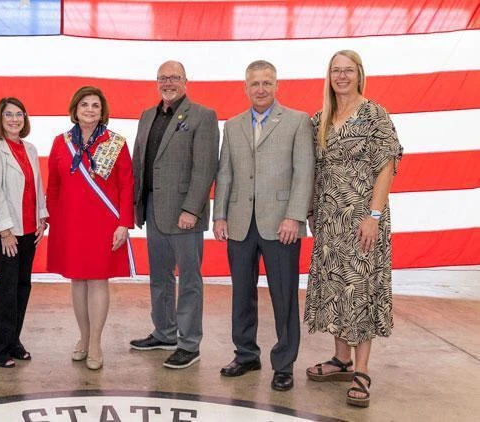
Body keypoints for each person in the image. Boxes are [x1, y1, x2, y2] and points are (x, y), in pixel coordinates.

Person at [304, 50, 402, 408]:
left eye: (348, 70)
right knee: (335, 287)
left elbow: (387, 165)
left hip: (364, 219)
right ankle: (340, 359)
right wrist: (312, 212)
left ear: (360, 74)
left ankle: (361, 370)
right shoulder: (322, 119)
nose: (341, 76)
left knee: (360, 289)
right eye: (335, 70)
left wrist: (373, 216)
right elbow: (313, 171)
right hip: (330, 221)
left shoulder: (374, 114)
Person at [213, 60, 314, 391]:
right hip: (241, 222)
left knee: (283, 295)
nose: (260, 89)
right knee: (241, 293)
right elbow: (225, 172)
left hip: (281, 223)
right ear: (245, 87)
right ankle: (245, 354)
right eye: (254, 83)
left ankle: (284, 363)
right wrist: (220, 215)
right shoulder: (233, 125)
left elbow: (304, 173)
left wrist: (294, 216)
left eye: (266, 83)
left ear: (277, 85)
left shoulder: (298, 121)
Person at [130, 60, 219, 369]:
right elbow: (138, 162)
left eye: (174, 77)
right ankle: (165, 332)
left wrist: (191, 209)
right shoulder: (146, 116)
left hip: (184, 214)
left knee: (190, 279)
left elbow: (205, 167)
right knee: (160, 276)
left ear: (185, 81)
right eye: (162, 78)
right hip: (153, 208)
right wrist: (135, 205)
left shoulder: (203, 116)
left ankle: (189, 343)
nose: (168, 82)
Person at [47, 86, 134, 371]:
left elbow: (126, 185)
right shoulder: (61, 143)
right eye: (84, 104)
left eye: (95, 105)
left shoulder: (115, 142)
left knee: (98, 280)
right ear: (75, 109)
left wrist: (123, 223)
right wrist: (53, 221)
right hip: (70, 222)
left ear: (102, 111)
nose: (90, 110)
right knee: (77, 281)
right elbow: (54, 186)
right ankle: (83, 337)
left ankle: (95, 341)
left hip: (104, 223)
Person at [0, 97, 48, 368]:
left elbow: (37, 185)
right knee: (6, 289)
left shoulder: (29, 148)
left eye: (19, 114)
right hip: (4, 232)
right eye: (8, 114)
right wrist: (6, 231)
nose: (14, 119)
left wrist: (42, 216)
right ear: (0, 118)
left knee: (22, 286)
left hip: (29, 228)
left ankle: (13, 341)